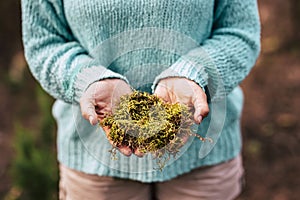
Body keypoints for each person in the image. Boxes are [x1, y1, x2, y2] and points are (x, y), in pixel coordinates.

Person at [22, 0, 260, 199]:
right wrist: (89, 79)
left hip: (204, 158)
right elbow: (44, 41)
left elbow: (239, 31)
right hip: (95, 164)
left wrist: (194, 73)